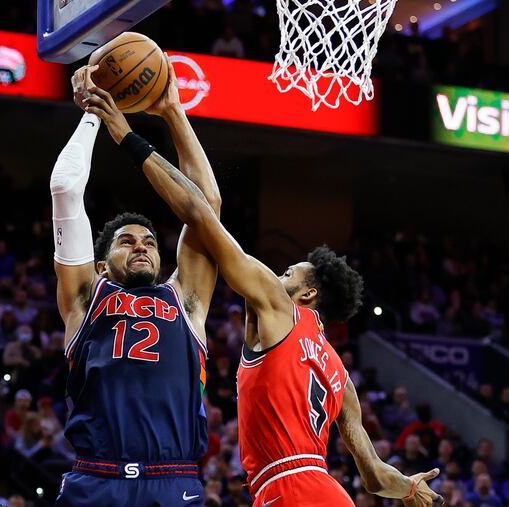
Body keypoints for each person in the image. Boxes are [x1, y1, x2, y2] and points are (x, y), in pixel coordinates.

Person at [83, 77, 444, 507]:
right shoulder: (341, 379)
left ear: (306, 294)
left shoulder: (277, 304)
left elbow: (202, 213)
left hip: (286, 490)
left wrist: (128, 136)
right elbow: (375, 477)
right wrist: (410, 488)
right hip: (329, 491)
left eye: (289, 271)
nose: (278, 273)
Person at [53, 58, 221, 507]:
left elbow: (206, 206)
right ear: (102, 264)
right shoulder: (86, 297)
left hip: (174, 479)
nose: (142, 246)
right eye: (126, 242)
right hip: (97, 477)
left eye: (149, 241)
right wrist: (93, 111)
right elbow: (65, 189)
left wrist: (173, 112)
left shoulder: (184, 299)